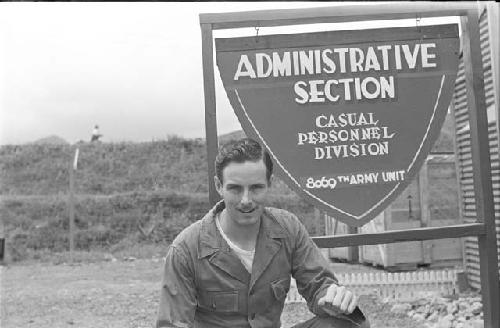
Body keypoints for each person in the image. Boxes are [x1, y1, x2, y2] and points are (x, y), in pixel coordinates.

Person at [156, 138, 369, 328]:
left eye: (256, 187)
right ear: (219, 186)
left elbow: (319, 285)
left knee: (350, 323)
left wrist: (332, 298)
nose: (246, 200)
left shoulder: (288, 229)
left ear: (269, 184)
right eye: (235, 189)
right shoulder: (186, 250)